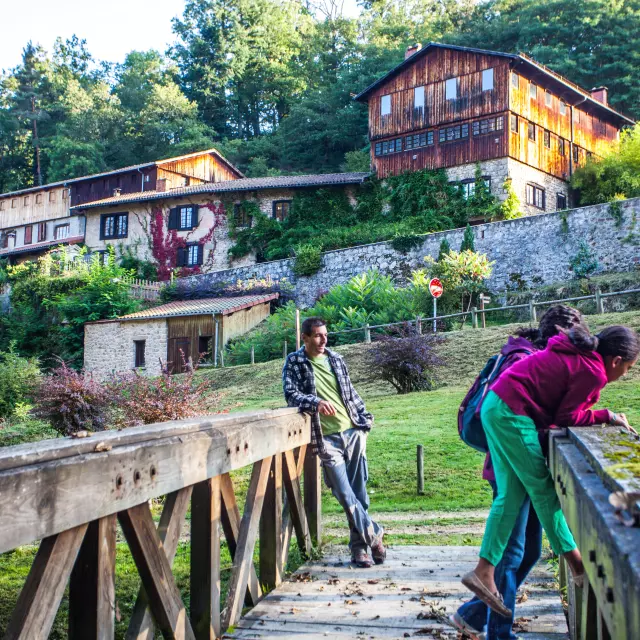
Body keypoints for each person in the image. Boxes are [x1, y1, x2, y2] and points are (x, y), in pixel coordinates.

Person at [462, 324, 639, 617]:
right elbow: (567, 417)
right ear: (616, 360)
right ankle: (575, 560)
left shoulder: (581, 357)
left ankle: (484, 570)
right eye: (629, 368)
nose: (626, 375)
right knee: (543, 490)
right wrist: (607, 416)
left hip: (496, 405)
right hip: (511, 412)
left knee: (511, 495)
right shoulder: (593, 371)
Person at [451, 305, 583, 640]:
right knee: (511, 554)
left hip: (526, 464)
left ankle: (472, 614)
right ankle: (499, 633)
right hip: (510, 465)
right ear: (561, 336)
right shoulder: (526, 359)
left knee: (531, 551)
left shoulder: (537, 359)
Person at [283, 316, 385, 568]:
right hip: (325, 439)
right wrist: (315, 402)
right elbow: (290, 394)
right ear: (305, 337)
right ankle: (374, 534)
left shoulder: (336, 359)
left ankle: (359, 550)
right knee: (343, 492)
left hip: (353, 432)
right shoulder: (295, 361)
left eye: (325, 335)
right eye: (317, 335)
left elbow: (350, 393)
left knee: (359, 495)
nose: (323, 339)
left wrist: (366, 422)